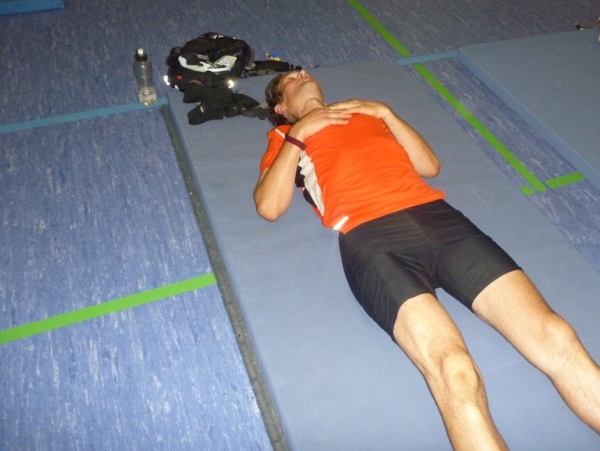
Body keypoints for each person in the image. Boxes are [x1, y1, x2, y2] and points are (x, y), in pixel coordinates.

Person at [253, 69, 600, 449]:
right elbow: (269, 206)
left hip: (441, 223)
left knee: (556, 335)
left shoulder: (364, 113)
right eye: (290, 79)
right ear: (280, 106)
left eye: (302, 70)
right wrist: (299, 133)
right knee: (455, 370)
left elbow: (429, 166)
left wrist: (385, 113)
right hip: (373, 241)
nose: (301, 73)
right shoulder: (284, 137)